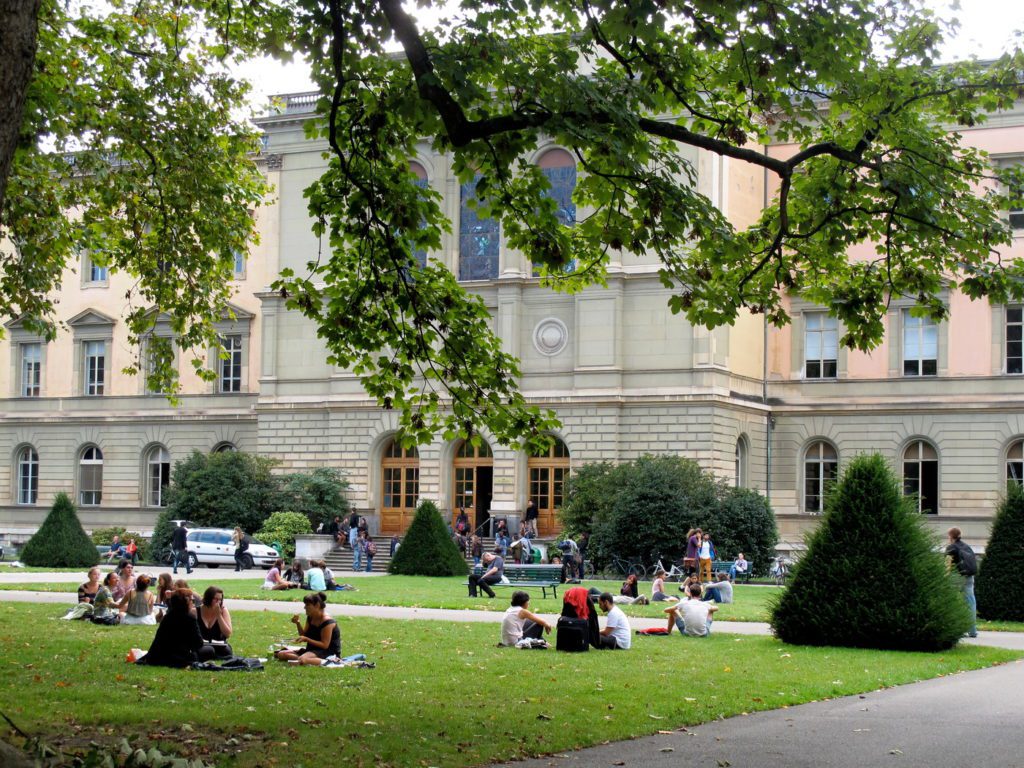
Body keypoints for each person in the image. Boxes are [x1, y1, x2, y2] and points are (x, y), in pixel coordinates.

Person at [136, 588, 203, 668]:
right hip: (179, 657)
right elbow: (198, 643)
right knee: (209, 650)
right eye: (192, 600)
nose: (193, 603)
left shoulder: (167, 617)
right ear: (186, 602)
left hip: (160, 656)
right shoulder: (190, 618)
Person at [275, 592, 341, 665]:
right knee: (281, 654)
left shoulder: (328, 622)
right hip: (312, 650)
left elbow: (324, 645)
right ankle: (306, 660)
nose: (304, 607)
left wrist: (306, 639)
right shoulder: (311, 617)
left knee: (303, 659)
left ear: (317, 605)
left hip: (327, 652)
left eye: (307, 605)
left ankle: (330, 661)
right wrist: (298, 623)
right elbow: (303, 635)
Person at [946, 527, 978, 638]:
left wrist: (944, 577)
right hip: (969, 577)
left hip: (957, 577)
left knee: (952, 602)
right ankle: (973, 631)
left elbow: (948, 565)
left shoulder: (951, 547)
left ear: (950, 536)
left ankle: (954, 629)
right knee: (971, 603)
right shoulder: (967, 547)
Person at [197, 586, 233, 660]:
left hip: (219, 645)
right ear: (208, 598)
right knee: (208, 650)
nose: (218, 602)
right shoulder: (196, 611)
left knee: (227, 651)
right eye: (215, 599)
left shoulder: (223, 610)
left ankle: (213, 656)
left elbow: (228, 633)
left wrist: (219, 615)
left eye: (220, 599)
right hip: (202, 645)